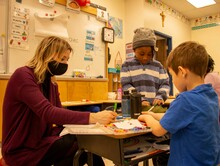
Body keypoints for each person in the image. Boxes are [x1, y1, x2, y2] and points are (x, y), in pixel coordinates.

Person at [1, 36, 117, 166]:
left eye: (67, 59)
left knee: (86, 144)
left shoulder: (51, 82)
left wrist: (89, 126)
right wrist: (93, 117)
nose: (65, 63)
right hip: (21, 149)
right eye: (62, 59)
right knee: (79, 144)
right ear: (47, 55)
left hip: (40, 141)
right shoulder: (23, 75)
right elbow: (48, 112)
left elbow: (59, 115)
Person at [138, 41, 220, 166]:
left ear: (182, 72)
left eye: (172, 76)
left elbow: (159, 130)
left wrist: (147, 117)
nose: (173, 81)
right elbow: (179, 117)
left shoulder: (185, 99)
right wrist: (155, 115)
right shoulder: (210, 95)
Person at [120, 27, 170, 107]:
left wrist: (160, 97)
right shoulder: (127, 65)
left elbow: (165, 84)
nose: (145, 57)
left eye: (149, 54)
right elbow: (126, 85)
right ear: (134, 50)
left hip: (154, 108)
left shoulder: (158, 66)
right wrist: (138, 99)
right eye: (141, 54)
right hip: (134, 107)